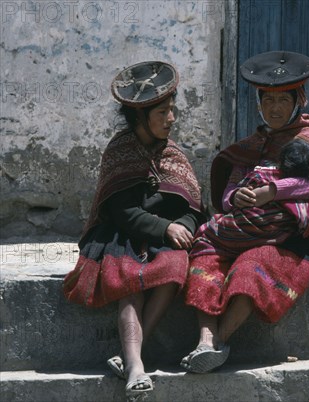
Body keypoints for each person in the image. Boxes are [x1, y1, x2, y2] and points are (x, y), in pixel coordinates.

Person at [181, 50, 309, 373]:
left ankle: (220, 341)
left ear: (298, 100)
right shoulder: (257, 143)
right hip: (241, 231)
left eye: (283, 101)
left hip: (290, 240)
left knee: (251, 267)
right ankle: (204, 339)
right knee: (204, 256)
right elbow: (230, 188)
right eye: (268, 101)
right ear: (259, 104)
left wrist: (272, 193)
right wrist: (236, 198)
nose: (275, 109)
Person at [62, 61, 205, 399]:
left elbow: (194, 207)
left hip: (164, 238)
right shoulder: (120, 152)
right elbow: (121, 211)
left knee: (173, 269)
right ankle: (136, 368)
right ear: (140, 118)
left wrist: (180, 227)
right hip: (119, 235)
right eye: (163, 113)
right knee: (127, 280)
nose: (171, 119)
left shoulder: (173, 155)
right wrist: (164, 227)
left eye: (172, 111)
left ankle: (130, 357)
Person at [191, 138, 309, 258]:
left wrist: (271, 191)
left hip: (284, 241)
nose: (274, 110)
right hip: (244, 218)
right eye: (265, 109)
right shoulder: (246, 148)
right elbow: (228, 195)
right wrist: (234, 196)